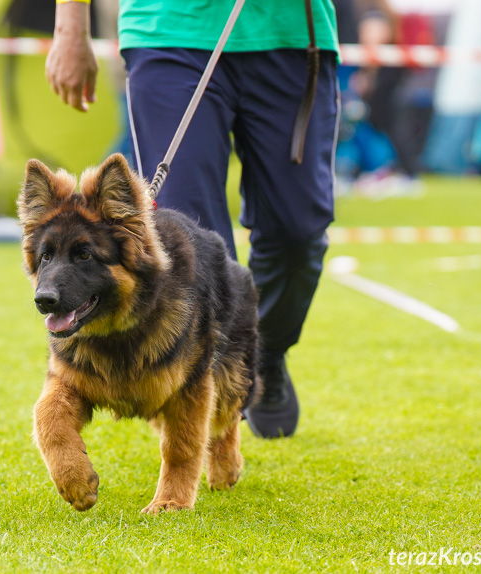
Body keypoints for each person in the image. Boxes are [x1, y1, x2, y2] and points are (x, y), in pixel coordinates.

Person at [46, 0, 340, 439]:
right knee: (192, 242)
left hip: (292, 35)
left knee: (297, 233)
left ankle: (260, 353)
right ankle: (203, 403)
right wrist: (71, 28)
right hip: (172, 29)